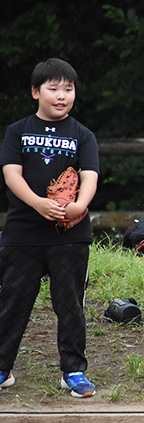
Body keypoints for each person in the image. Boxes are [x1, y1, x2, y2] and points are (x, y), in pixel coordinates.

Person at [0, 58, 100, 398]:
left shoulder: (82, 135)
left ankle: (73, 370)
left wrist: (80, 205)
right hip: (23, 233)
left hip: (69, 235)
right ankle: (3, 368)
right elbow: (11, 173)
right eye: (53, 88)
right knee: (12, 301)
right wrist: (37, 203)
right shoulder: (18, 131)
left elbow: (89, 176)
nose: (61, 96)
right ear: (35, 92)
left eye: (68, 89)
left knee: (69, 303)